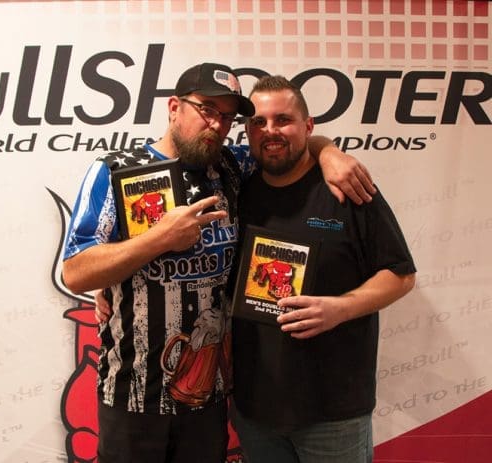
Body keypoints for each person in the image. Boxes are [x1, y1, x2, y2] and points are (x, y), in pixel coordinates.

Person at [65, 62, 375, 463]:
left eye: (227, 117)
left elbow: (288, 142)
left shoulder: (232, 167)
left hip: (206, 398)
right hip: (132, 393)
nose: (217, 124)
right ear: (174, 107)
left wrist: (329, 152)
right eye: (207, 109)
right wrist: (159, 238)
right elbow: (75, 271)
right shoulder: (115, 170)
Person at [231, 75, 416, 463]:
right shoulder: (238, 193)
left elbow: (400, 275)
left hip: (333, 412)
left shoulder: (347, 188)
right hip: (254, 409)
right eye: (258, 122)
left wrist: (340, 309)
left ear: (308, 125)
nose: (270, 131)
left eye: (283, 119)